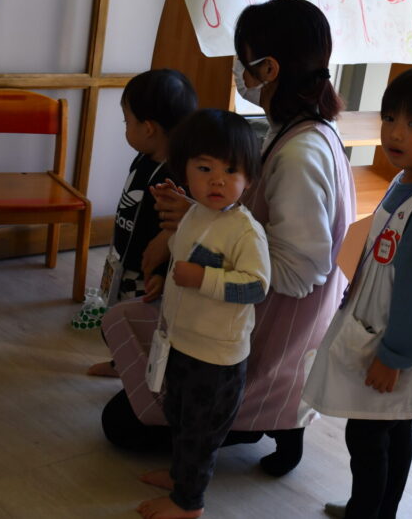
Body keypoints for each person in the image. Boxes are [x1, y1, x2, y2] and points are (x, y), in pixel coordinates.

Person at [127, 0, 356, 476]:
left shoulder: (300, 154)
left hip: (270, 324)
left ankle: (255, 420)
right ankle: (273, 422)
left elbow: (297, 272)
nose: (238, 71)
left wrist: (205, 221)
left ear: (268, 69)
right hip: (267, 318)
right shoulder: (300, 130)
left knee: (124, 421)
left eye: (243, 60)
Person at [302, 66, 412, 519]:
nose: (395, 132)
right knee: (392, 430)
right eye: (390, 117)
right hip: (380, 334)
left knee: (367, 436)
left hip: (394, 349)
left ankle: (367, 512)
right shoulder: (405, 181)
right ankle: (379, 511)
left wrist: (395, 356)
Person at [136, 108, 270, 519]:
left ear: (249, 178)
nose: (217, 180)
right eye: (205, 168)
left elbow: (256, 286)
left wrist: (204, 278)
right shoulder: (195, 213)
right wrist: (166, 282)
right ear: (185, 169)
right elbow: (183, 261)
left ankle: (189, 503)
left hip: (217, 357)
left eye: (231, 170)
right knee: (178, 416)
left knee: (201, 430)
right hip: (182, 341)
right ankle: (181, 476)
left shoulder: (245, 231)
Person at [86, 69, 197, 374]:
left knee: (133, 321)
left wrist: (160, 272)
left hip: (144, 270)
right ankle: (120, 361)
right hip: (124, 260)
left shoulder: (174, 176)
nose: (126, 128)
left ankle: (134, 372)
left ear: (148, 128)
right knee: (114, 314)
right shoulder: (144, 157)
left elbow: (173, 232)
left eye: (127, 122)